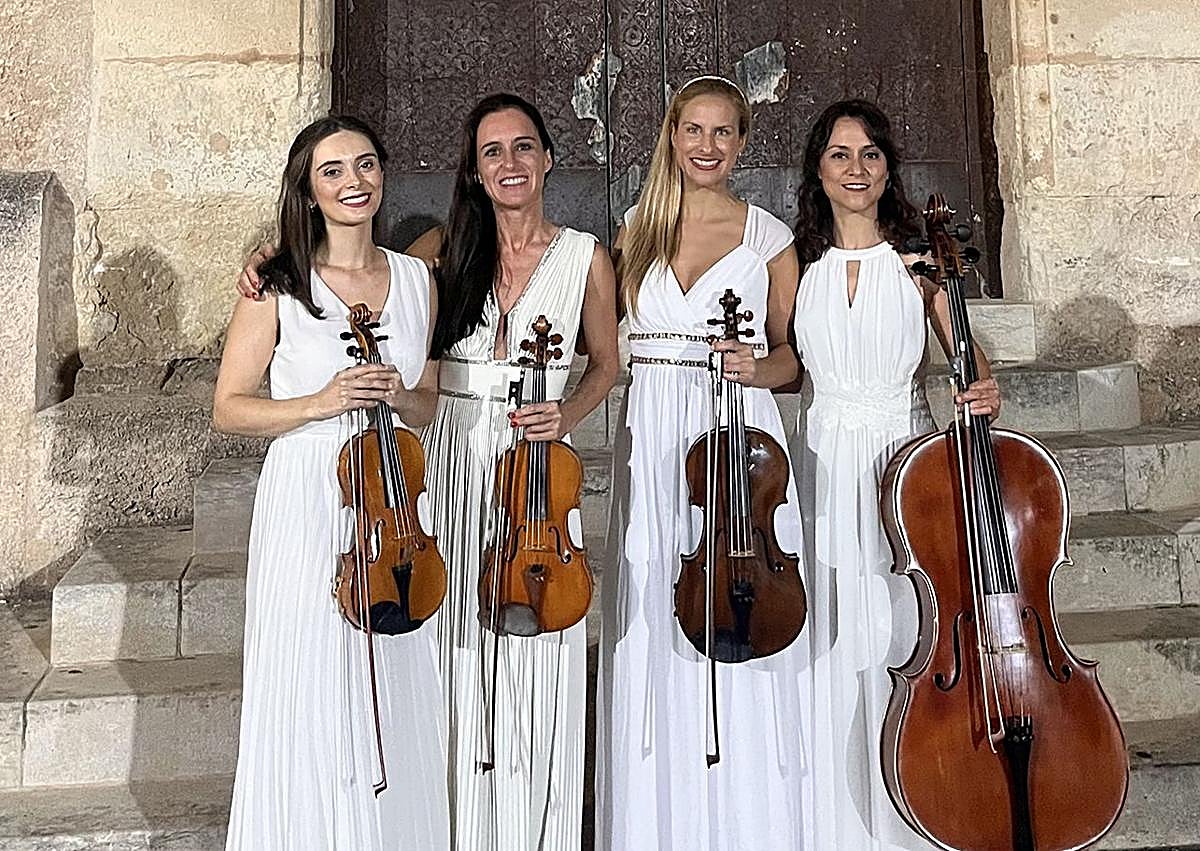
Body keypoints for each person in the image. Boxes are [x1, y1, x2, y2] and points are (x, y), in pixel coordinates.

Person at [214, 115, 449, 849]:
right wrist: (323, 399)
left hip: (394, 500)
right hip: (309, 491)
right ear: (309, 190)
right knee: (311, 677)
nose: (355, 182)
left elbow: (429, 401)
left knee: (396, 670)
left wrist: (394, 392)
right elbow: (228, 407)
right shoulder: (277, 281)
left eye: (367, 165)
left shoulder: (416, 279)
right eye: (335, 170)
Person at [597, 75, 813, 851]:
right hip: (656, 429)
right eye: (694, 130)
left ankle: (746, 813)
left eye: (724, 133)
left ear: (744, 143)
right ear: (672, 134)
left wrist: (761, 368)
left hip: (734, 427)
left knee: (735, 585)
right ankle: (663, 816)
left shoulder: (769, 238)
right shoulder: (637, 226)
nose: (708, 146)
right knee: (659, 579)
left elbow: (795, 359)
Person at [789, 98, 1001, 849]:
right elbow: (785, 363)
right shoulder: (799, 264)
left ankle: (912, 818)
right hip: (823, 465)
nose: (856, 168)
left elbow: (969, 358)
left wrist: (982, 384)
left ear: (888, 169)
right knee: (833, 629)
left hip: (899, 465)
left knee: (899, 627)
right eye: (841, 154)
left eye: (870, 154)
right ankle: (838, 826)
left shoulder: (918, 264)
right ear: (818, 168)